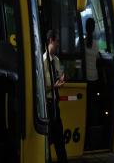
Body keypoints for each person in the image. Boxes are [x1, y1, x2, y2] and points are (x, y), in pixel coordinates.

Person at [43, 30, 68, 163]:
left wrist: (62, 79)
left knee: (60, 142)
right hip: (46, 107)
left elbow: (59, 76)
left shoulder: (56, 60)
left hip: (55, 106)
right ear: (51, 41)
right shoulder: (42, 62)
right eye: (57, 41)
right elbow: (41, 88)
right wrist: (54, 86)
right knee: (47, 141)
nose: (58, 44)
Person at [84, 18, 103, 126]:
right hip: (94, 78)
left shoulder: (82, 43)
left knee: (87, 104)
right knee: (94, 104)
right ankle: (94, 124)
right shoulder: (96, 45)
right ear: (93, 28)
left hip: (85, 79)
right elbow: (97, 59)